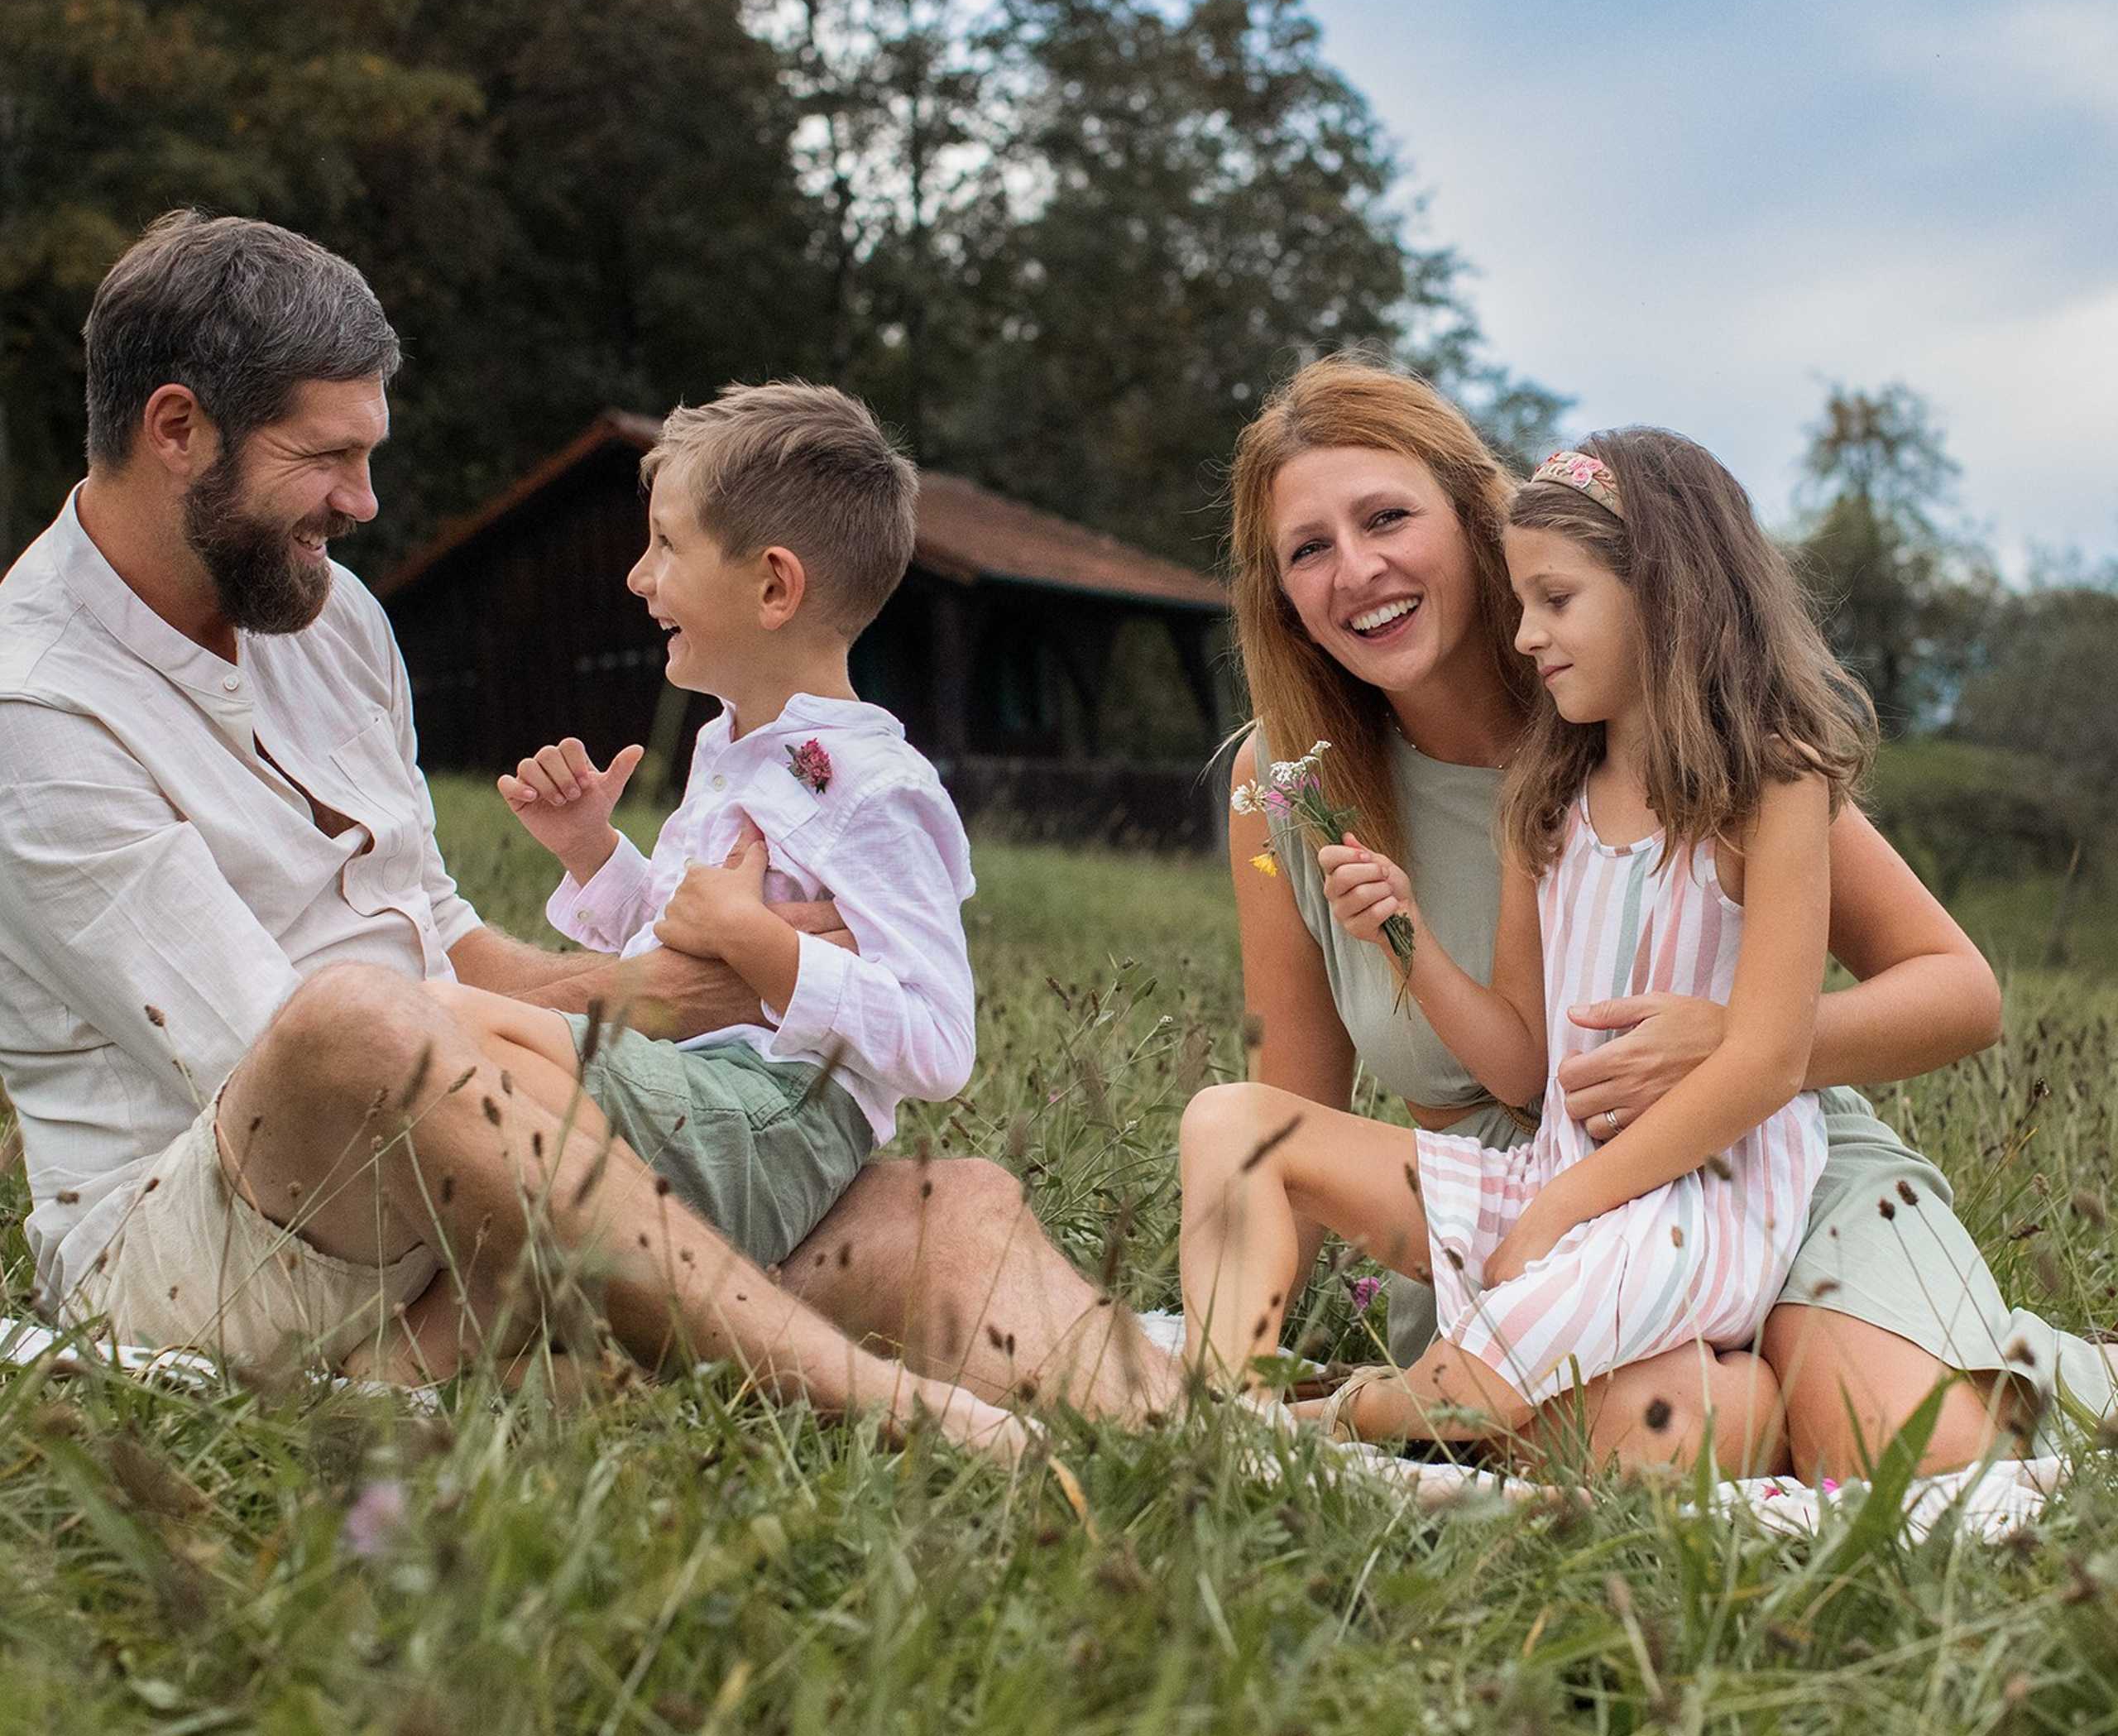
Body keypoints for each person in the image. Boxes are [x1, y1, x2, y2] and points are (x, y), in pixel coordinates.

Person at [0, 209, 1177, 1444]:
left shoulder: (332, 621)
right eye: (328, 457)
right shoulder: (37, 709)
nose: (363, 500)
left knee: (955, 1212)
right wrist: (654, 1004)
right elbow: (282, 1054)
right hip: (226, 1230)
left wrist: (661, 991)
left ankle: (1277, 1453)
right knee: (348, 1020)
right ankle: (907, 1415)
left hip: (482, 1166)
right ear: (178, 428)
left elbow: (435, 935)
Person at [1181, 352, 2116, 1476]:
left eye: (1387, 517)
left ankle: (1999, 1366)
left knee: (1911, 1454)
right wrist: (1255, 1324)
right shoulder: (1293, 787)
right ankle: (1222, 1439)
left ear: (1478, 518)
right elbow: (1298, 1115)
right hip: (1528, 1216)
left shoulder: (1639, 715)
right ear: (1277, 593)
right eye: (1308, 550)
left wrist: (1735, 1041)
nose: (1358, 569)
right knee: (1654, 1436)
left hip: (1765, 1158)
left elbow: (1957, 992)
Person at [1187, 431, 1871, 1460]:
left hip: (1686, 1192)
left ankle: (1306, 1427)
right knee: (1229, 1120)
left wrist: (1562, 1207)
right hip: (1545, 1177)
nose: (1527, 637)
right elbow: (1522, 1067)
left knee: (1591, 1413)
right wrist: (1401, 936)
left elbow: (1772, 1056)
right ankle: (1217, 1404)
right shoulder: (1546, 786)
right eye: (1308, 548)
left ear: (1664, 591)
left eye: (1383, 518)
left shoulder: (1768, 778)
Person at [449, 381, 975, 1298]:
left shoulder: (877, 787)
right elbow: (674, 939)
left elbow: (939, 1041)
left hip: (776, 1120)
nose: (637, 575)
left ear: (773, 584)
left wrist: (757, 943)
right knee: (441, 1043)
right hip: (687, 1081)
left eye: (665, 544)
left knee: (446, 1032)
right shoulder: (730, 745)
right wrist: (592, 851)